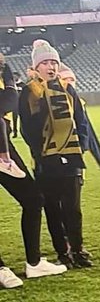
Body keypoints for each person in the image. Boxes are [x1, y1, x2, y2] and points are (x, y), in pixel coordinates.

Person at [19, 39, 94, 269]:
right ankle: (63, 251)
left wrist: (80, 145)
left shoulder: (68, 88)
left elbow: (80, 120)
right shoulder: (30, 92)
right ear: (36, 67)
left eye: (54, 62)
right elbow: (26, 128)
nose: (51, 67)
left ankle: (78, 248)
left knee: (73, 208)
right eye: (45, 63)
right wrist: (41, 153)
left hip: (71, 156)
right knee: (53, 207)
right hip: (46, 159)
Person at [0, 63, 67, 287]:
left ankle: (34, 262)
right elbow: (6, 102)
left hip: (3, 147)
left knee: (33, 198)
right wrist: (10, 85)